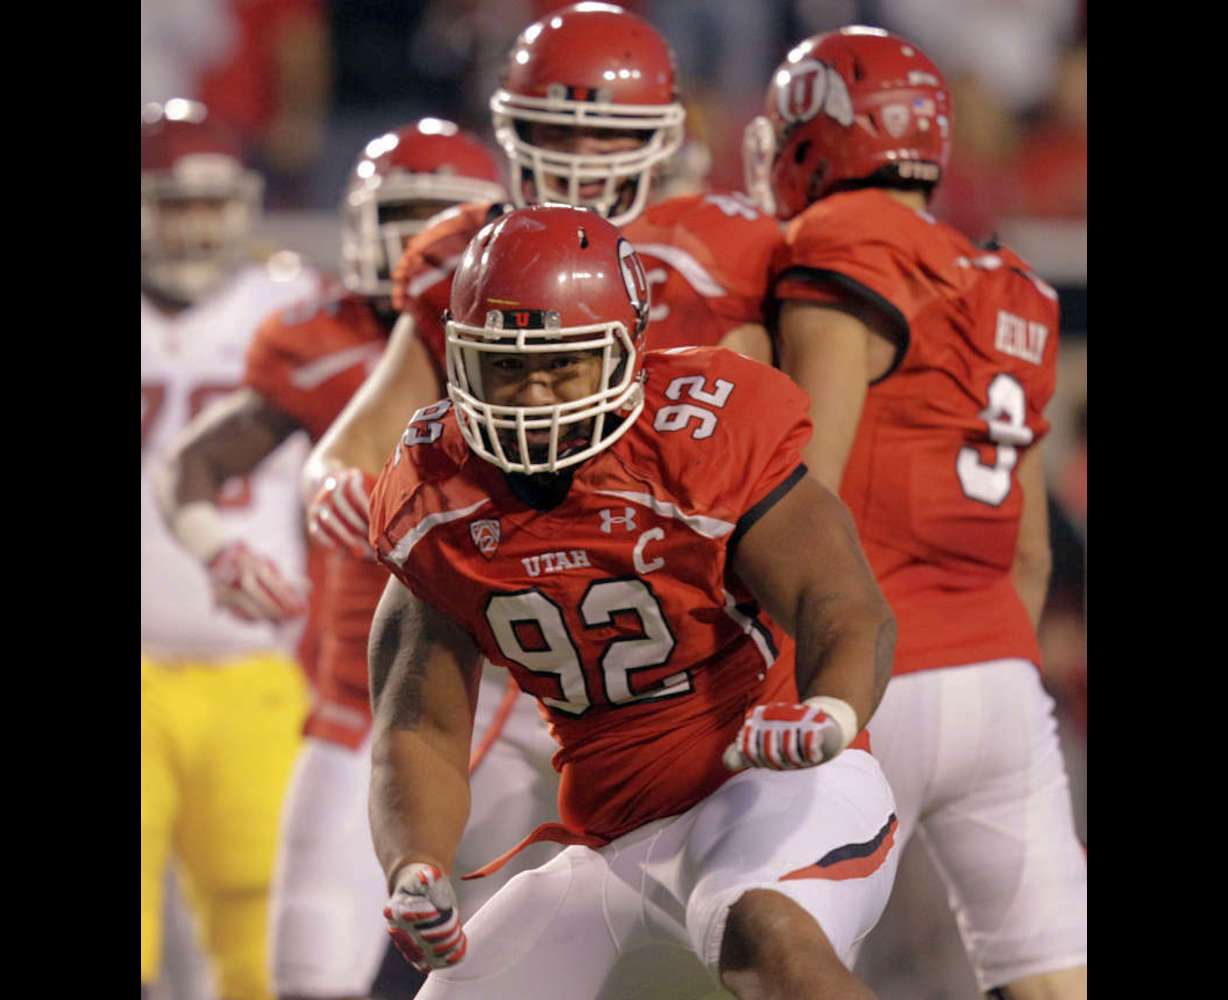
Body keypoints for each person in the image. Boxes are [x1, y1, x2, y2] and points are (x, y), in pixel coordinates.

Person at [366, 204, 900, 1000]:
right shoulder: (435, 492)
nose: (533, 394)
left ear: (625, 352)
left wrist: (829, 711)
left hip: (769, 790)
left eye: (563, 366)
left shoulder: (700, 434)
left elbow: (843, 601)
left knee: (767, 938)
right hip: (613, 838)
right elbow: (419, 727)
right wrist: (415, 865)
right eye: (505, 366)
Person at [155, 119, 560, 1000]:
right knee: (307, 967)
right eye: (404, 217)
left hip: (526, 692)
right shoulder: (316, 334)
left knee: (513, 966)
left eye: (441, 219)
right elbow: (197, 462)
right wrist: (223, 549)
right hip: (362, 700)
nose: (423, 244)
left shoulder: (542, 343)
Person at [743, 26, 1087, 999]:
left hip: (865, 672)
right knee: (1054, 980)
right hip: (1001, 682)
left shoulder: (843, 241)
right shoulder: (1013, 285)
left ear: (815, 135)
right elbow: (1028, 550)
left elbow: (803, 490)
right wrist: (995, 662)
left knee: (786, 964)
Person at [301, 1, 785, 543]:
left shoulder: (726, 245)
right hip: (517, 541)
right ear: (513, 126)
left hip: (686, 536)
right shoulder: (468, 252)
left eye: (609, 131)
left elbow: (778, 439)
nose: (581, 155)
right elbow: (358, 445)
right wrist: (336, 485)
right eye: (556, 131)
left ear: (662, 135)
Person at [141, 98, 320, 1000]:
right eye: (175, 204)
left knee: (260, 935)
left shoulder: (291, 308)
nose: (196, 225)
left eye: (211, 203)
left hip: (255, 664)